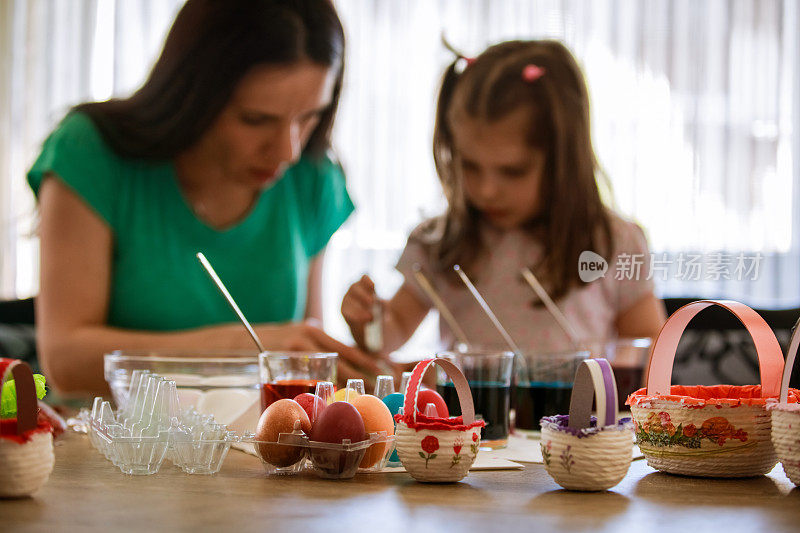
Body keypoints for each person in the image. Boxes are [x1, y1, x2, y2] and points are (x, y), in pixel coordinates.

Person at [27, 0, 381, 395]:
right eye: (255, 119)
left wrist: (366, 355)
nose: (288, 151)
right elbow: (64, 362)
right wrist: (245, 349)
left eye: (308, 116)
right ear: (193, 93)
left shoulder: (313, 176)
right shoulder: (90, 152)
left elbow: (296, 373)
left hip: (251, 451)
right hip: (107, 449)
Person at [342, 40, 666, 356]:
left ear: (563, 161)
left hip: (582, 413)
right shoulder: (441, 241)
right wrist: (370, 323)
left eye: (513, 171)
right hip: (471, 412)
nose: (486, 190)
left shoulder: (615, 242)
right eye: (469, 165)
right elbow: (390, 333)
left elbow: (647, 346)